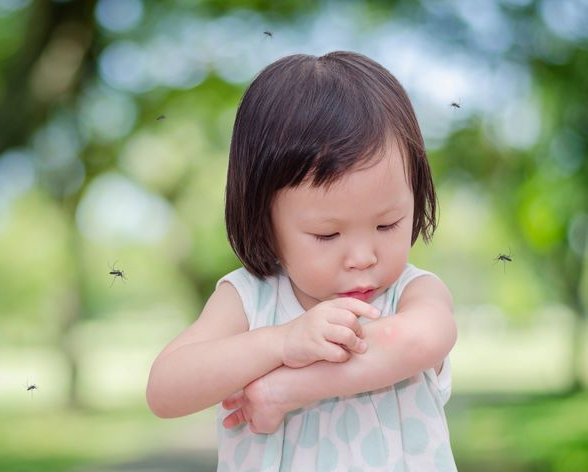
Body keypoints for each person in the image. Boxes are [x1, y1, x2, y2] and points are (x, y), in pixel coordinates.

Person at [146, 51, 458, 471]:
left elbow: (423, 340)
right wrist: (281, 342)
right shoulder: (249, 301)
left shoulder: (410, 293)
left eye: (388, 225)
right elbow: (164, 390)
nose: (363, 257)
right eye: (327, 235)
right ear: (264, 219)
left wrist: (290, 389)